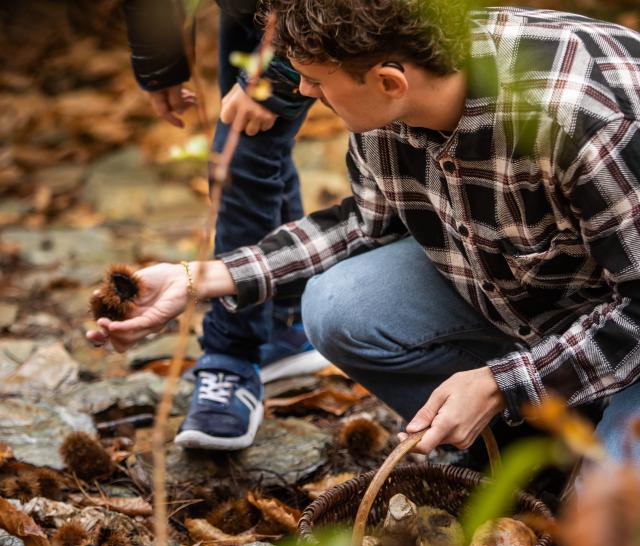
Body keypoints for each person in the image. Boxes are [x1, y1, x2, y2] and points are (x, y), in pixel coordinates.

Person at [91, 1, 640, 462]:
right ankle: (524, 451)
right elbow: (364, 223)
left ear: (388, 81)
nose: (302, 91)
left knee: (613, 522)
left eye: (316, 79)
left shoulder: (581, 118)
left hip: (628, 328)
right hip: (550, 306)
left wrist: (502, 383)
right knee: (341, 305)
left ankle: (581, 436)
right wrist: (198, 279)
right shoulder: (390, 106)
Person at [120, 0, 328, 451]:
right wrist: (161, 63)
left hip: (311, 11)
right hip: (246, 7)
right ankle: (285, 323)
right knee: (260, 141)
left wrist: (275, 81)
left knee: (240, 151)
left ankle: (232, 358)